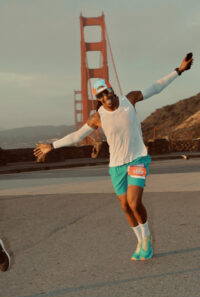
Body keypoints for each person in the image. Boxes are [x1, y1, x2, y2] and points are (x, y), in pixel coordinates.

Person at [34, 53, 193, 260]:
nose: (105, 97)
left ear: (111, 89)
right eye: (100, 96)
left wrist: (178, 70)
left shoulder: (131, 99)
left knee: (134, 203)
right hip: (116, 165)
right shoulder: (98, 117)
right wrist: (52, 146)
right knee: (125, 207)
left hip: (137, 159)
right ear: (98, 99)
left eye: (106, 92)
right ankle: (139, 241)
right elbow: (77, 136)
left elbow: (156, 87)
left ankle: (146, 240)